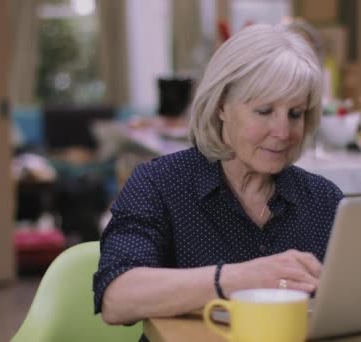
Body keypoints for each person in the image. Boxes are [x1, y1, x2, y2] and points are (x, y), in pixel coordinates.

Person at [93, 24, 343, 328]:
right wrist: (243, 278)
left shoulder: (324, 200)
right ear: (222, 105)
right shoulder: (159, 184)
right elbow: (116, 298)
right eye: (264, 111)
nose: (283, 133)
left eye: (295, 114)